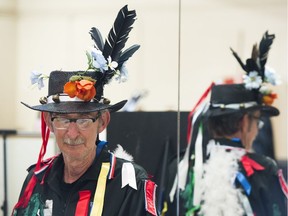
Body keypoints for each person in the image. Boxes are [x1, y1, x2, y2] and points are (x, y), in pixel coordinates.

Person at [12, 5, 159, 216]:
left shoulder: (129, 183)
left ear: (103, 121)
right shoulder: (36, 179)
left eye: (83, 121)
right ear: (48, 122)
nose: (72, 134)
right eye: (63, 120)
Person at [168, 31, 287, 216]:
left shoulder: (181, 167)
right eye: (257, 121)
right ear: (245, 121)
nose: (257, 130)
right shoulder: (263, 168)